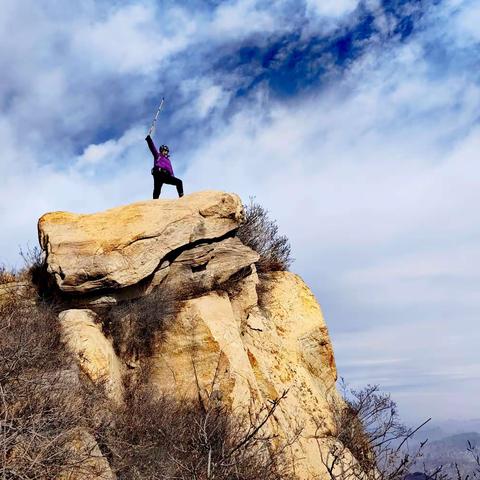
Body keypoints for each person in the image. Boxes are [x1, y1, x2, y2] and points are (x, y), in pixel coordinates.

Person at [145, 134, 184, 199]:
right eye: (164, 150)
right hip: (159, 173)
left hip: (166, 175)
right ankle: (153, 203)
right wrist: (149, 140)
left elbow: (170, 170)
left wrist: (172, 176)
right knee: (157, 190)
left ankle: (182, 197)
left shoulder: (168, 160)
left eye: (166, 151)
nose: (166, 152)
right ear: (161, 150)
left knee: (179, 182)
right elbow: (152, 148)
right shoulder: (158, 156)